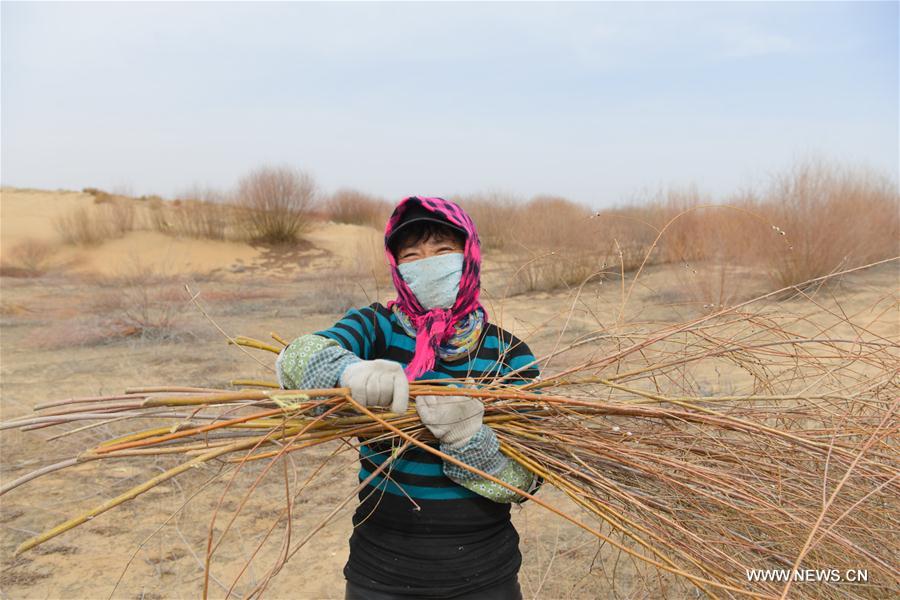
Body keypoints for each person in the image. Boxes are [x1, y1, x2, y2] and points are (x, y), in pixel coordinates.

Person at [276, 196, 541, 599]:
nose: (426, 264)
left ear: (469, 255)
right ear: (397, 267)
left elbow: (526, 482)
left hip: (485, 576)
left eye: (442, 251)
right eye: (412, 255)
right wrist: (349, 371)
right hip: (381, 573)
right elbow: (298, 358)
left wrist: (471, 442)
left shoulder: (509, 354)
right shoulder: (376, 328)